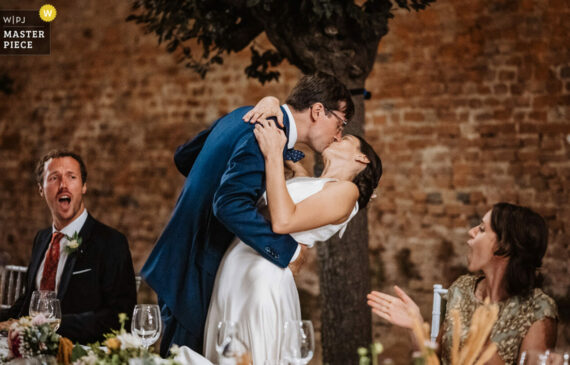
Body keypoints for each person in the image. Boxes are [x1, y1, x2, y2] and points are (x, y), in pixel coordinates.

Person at [141, 72, 356, 355]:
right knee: (186, 358)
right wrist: (289, 251)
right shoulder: (261, 131)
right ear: (317, 111)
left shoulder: (246, 115)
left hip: (182, 257)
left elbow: (185, 156)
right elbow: (229, 205)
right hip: (196, 268)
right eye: (340, 123)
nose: (339, 134)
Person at [202, 115, 382, 364]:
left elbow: (284, 221)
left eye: (346, 139)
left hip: (263, 275)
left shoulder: (347, 191)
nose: (338, 137)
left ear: (361, 158)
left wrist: (274, 156)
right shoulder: (310, 181)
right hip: (236, 267)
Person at [367, 202, 558, 365]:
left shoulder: (537, 309)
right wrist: (415, 325)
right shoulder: (461, 288)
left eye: (482, 229)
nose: (471, 231)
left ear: (505, 246)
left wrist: (482, 346)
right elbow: (435, 361)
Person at [0, 150, 137, 344]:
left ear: (83, 186)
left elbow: (120, 315)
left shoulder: (111, 242)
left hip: (80, 353)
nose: (63, 185)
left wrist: (49, 325)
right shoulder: (41, 238)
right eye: (54, 178)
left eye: (71, 177)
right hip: (31, 350)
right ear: (41, 189)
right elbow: (29, 302)